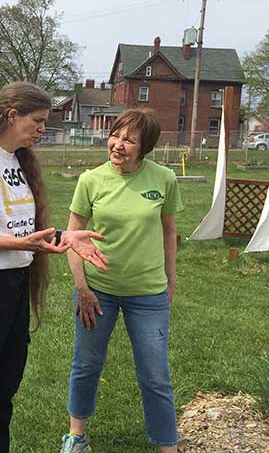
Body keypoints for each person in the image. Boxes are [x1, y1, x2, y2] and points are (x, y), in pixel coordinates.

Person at [0, 82, 109, 453]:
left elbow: (13, 226)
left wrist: (63, 237)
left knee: (1, 397)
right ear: (11, 115)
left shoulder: (14, 159)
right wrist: (21, 244)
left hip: (11, 288)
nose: (43, 128)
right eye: (38, 120)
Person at [59, 108, 183, 453]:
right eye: (115, 136)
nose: (117, 144)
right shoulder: (91, 180)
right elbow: (72, 236)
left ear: (145, 148)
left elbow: (169, 231)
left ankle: (167, 446)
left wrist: (170, 283)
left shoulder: (164, 179)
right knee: (86, 365)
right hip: (98, 291)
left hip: (148, 294)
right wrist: (82, 289)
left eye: (129, 140)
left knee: (155, 376)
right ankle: (76, 437)